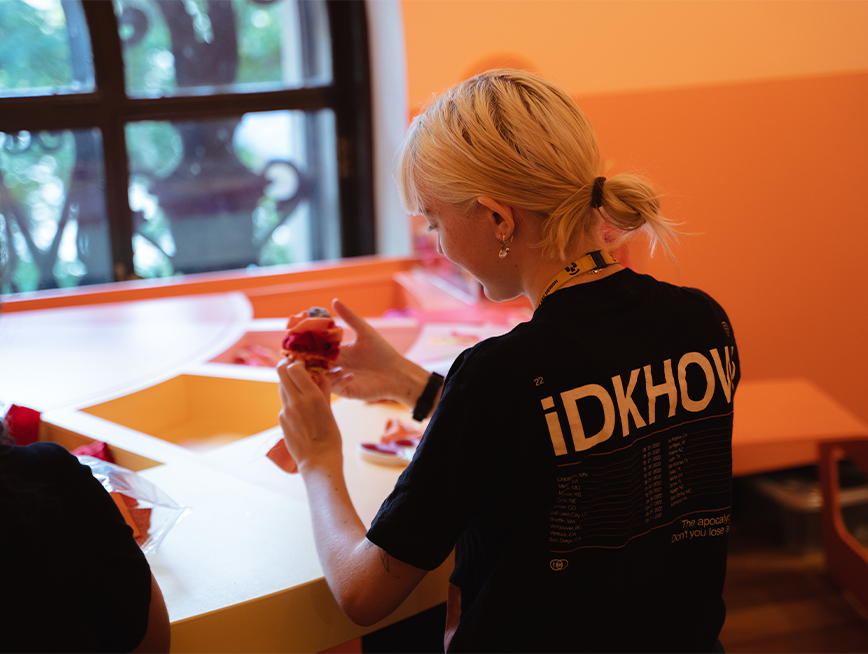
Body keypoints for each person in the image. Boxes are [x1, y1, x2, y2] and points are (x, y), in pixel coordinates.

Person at [277, 69, 739, 653]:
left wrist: (317, 457)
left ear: (498, 219)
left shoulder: (499, 374)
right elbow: (553, 440)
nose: (438, 244)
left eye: (434, 220)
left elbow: (363, 593)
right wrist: (407, 382)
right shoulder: (702, 319)